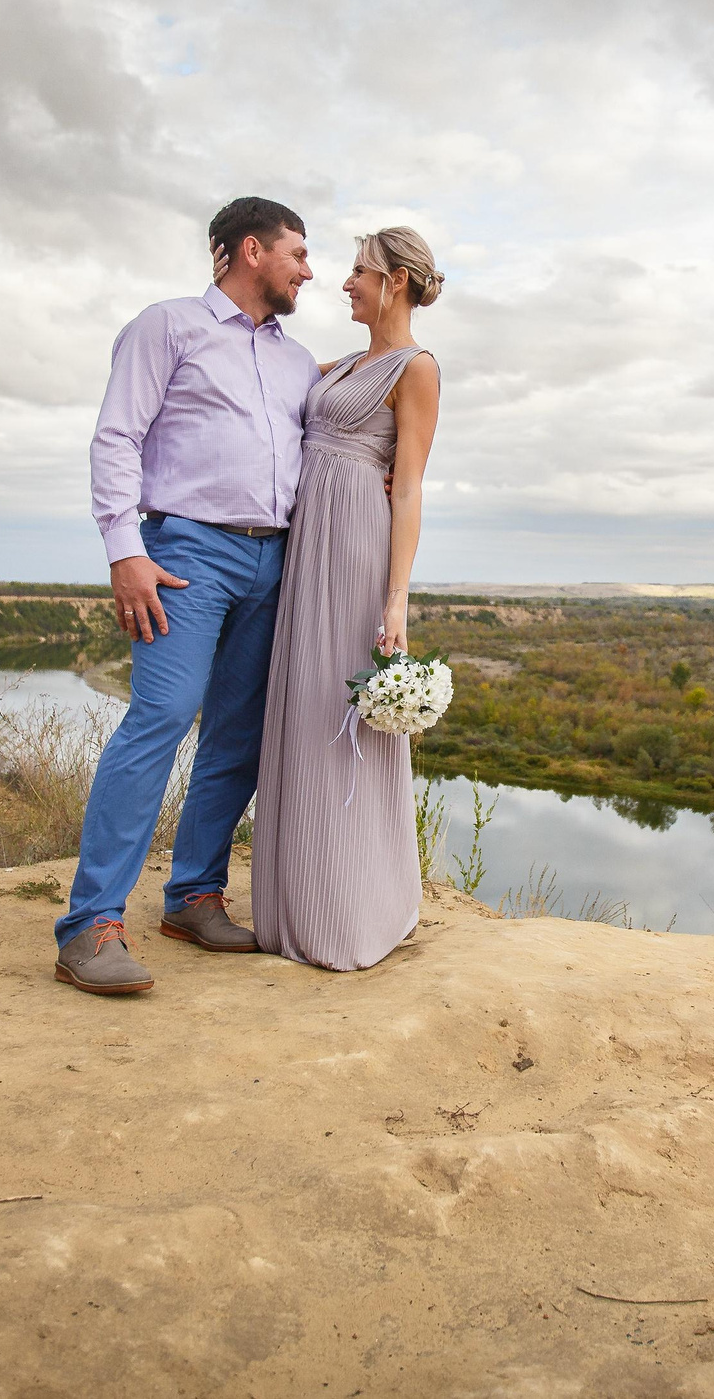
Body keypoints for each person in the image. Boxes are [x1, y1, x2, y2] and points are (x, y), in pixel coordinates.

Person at [53, 196, 318, 996]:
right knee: (163, 716)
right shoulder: (166, 326)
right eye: (298, 253)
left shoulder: (299, 361)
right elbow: (116, 436)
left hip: (275, 561)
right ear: (248, 251)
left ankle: (193, 897)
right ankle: (90, 924)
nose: (310, 269)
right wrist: (123, 548)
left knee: (237, 731)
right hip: (185, 553)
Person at [251, 226, 445, 971]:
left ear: (395, 280)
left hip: (358, 544)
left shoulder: (416, 368)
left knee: (344, 715)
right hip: (309, 545)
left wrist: (395, 599)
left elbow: (411, 485)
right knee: (301, 708)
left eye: (359, 271)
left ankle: (351, 910)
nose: (344, 283)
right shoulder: (340, 365)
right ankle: (295, 901)